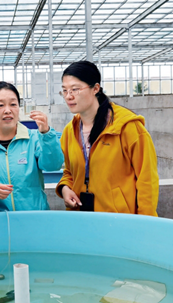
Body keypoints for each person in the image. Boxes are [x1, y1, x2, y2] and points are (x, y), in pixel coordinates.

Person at [56, 61, 159, 216]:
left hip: (119, 221)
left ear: (95, 88)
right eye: (64, 91)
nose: (68, 96)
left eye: (75, 90)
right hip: (81, 218)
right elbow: (69, 172)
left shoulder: (127, 127)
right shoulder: (70, 131)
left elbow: (147, 180)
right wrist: (64, 188)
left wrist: (145, 222)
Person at [0, 81, 64, 212]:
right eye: (0, 105)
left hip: (35, 220)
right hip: (0, 224)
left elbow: (53, 165)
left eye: (13, 104)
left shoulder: (34, 139)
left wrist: (46, 134)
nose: (8, 110)